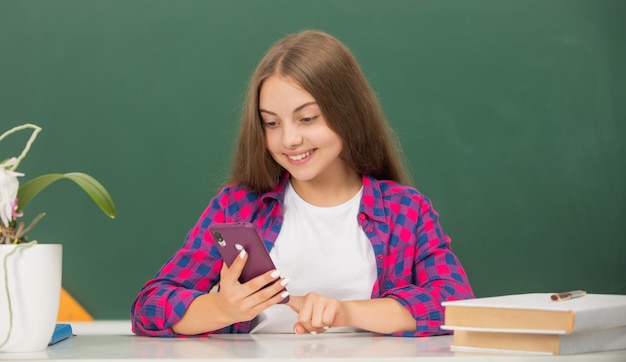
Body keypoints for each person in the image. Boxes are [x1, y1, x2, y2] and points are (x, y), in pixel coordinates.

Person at [131, 29, 473, 337]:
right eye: (271, 123)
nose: (289, 139)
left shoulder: (406, 210)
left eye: (307, 118)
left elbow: (455, 305)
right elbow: (150, 306)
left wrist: (346, 311)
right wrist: (222, 308)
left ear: (347, 113)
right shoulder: (237, 207)